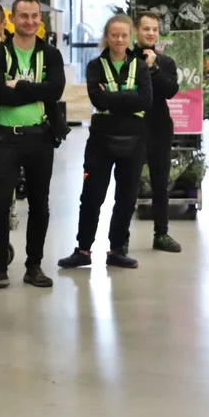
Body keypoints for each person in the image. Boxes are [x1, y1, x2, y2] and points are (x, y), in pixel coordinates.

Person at [0, 0, 65, 291]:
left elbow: (55, 91)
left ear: (39, 20)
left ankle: (34, 266)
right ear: (11, 20)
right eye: (23, 16)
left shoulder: (50, 54)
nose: (29, 21)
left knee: (40, 204)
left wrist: (20, 84)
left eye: (34, 16)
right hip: (4, 139)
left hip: (39, 137)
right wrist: (34, 89)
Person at [57, 14, 152, 270]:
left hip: (134, 139)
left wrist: (111, 95)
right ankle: (83, 250)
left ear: (130, 36)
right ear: (106, 37)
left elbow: (146, 101)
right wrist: (127, 97)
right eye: (114, 35)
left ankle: (117, 250)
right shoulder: (94, 66)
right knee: (91, 196)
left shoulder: (140, 66)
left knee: (126, 197)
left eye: (124, 35)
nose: (119, 40)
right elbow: (98, 101)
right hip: (101, 140)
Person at [134, 11, 182, 254]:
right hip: (132, 130)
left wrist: (153, 68)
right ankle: (120, 239)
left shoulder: (166, 62)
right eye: (146, 29)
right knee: (128, 183)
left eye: (154, 29)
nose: (150, 33)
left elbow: (170, 90)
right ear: (136, 31)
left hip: (160, 129)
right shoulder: (126, 58)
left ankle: (161, 234)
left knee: (160, 183)